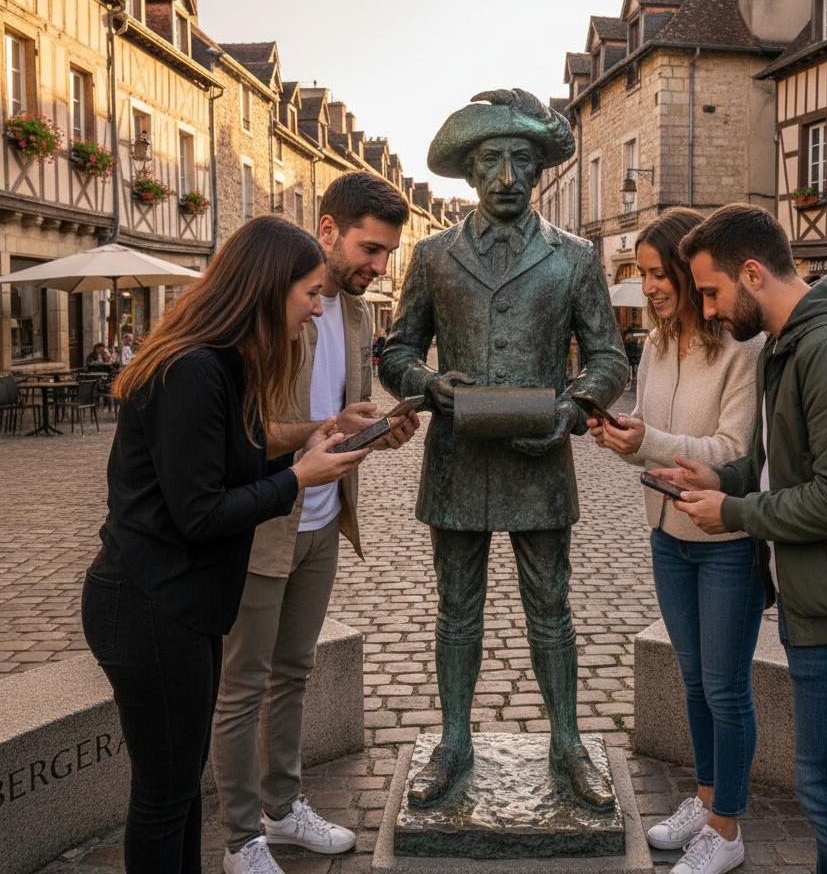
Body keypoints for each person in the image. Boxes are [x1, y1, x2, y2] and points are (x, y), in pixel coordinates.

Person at [80, 217, 370, 874]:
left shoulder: (221, 364)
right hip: (148, 606)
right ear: (267, 290)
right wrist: (299, 478)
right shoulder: (192, 370)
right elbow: (201, 513)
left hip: (181, 606)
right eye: (309, 293)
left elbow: (237, 459)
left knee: (180, 789)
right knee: (164, 797)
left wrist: (313, 441)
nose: (317, 308)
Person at [652, 204, 827, 874]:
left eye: (712, 292)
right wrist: (722, 476)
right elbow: (779, 464)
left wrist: (736, 512)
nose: (708, 310)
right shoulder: (794, 342)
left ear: (753, 273)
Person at [380, 88, 628, 810]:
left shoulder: (574, 258)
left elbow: (609, 358)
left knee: (551, 606)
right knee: (456, 607)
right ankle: (454, 741)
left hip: (538, 459)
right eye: (492, 160)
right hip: (457, 460)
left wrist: (575, 407)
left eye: (522, 160)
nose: (508, 177)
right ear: (470, 171)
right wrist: (427, 382)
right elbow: (396, 350)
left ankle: (568, 743)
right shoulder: (433, 256)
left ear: (541, 169)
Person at [212, 174, 418, 874]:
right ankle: (241, 840)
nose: (379, 266)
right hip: (264, 524)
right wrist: (325, 428)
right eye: (370, 248)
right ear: (327, 229)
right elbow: (245, 431)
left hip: (325, 520)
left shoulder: (357, 315)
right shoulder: (269, 308)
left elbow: (338, 421)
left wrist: (374, 432)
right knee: (243, 685)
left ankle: (282, 807)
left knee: (293, 673)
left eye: (387, 253)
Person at [588, 208, 763, 874]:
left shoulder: (741, 349)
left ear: (692, 275)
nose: (651, 286)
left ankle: (727, 829)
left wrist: (650, 440)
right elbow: (652, 434)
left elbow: (734, 451)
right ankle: (707, 797)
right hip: (667, 533)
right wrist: (621, 434)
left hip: (725, 539)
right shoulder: (656, 345)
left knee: (725, 688)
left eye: (660, 274)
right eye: (644, 274)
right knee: (692, 681)